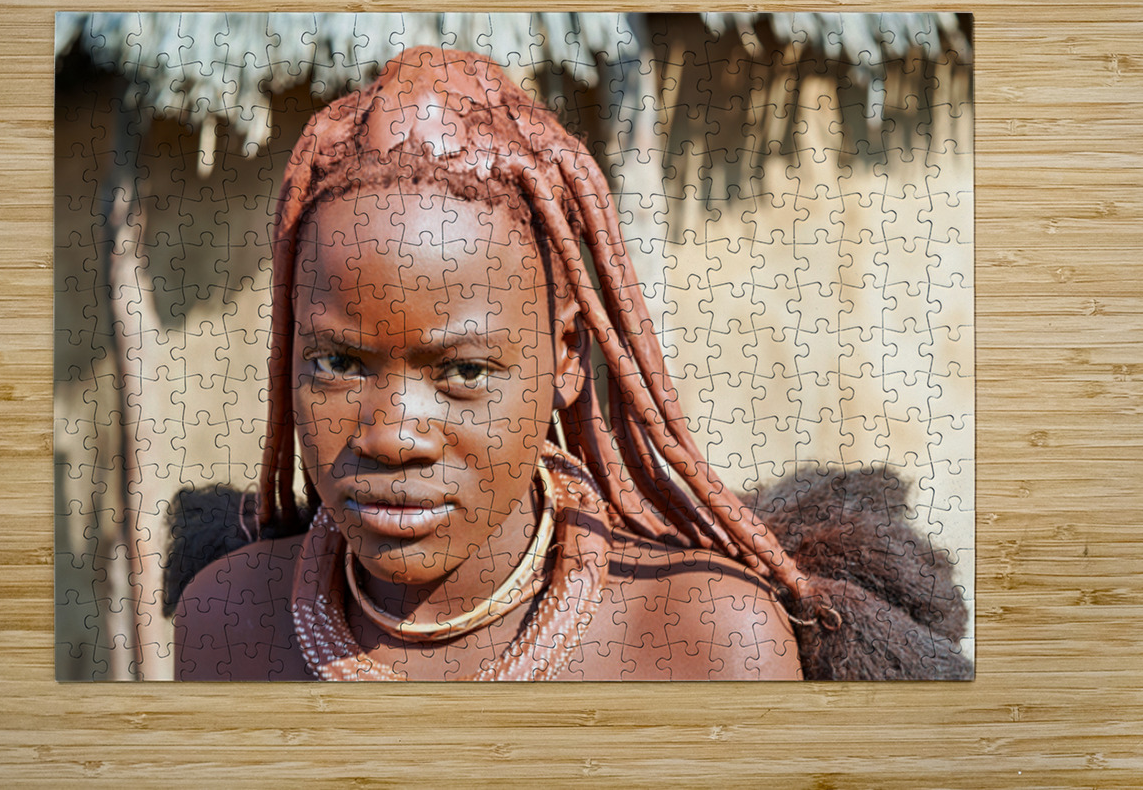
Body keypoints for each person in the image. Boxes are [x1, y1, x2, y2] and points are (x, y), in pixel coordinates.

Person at [172, 46, 970, 681]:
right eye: (338, 362)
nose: (392, 436)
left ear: (563, 357)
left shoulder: (704, 640)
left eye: (466, 373)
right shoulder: (230, 624)